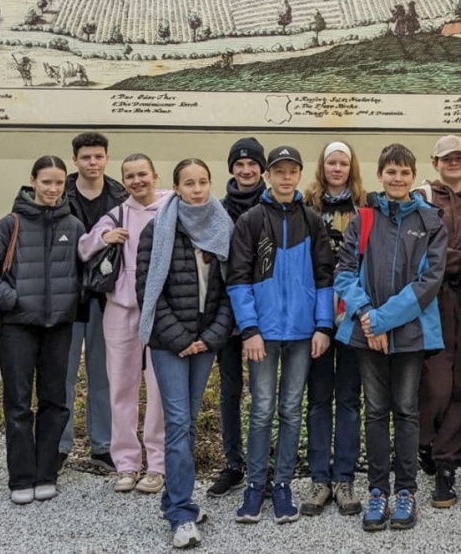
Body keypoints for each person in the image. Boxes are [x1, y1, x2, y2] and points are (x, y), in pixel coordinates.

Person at [334, 144, 447, 532]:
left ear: (413, 177)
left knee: (406, 410)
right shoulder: (362, 219)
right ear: (380, 174)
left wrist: (383, 321)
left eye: (404, 172)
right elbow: (344, 273)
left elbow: (429, 282)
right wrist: (367, 316)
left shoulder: (431, 221)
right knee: (376, 411)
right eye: (390, 171)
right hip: (367, 333)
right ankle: (378, 490)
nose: (397, 178)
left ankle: (406, 491)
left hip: (410, 335)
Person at [228, 145, 336, 525]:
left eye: (292, 171)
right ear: (267, 176)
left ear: (299, 175)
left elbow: (326, 276)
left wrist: (323, 326)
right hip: (264, 334)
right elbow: (238, 278)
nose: (286, 177)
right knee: (261, 410)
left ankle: (284, 485)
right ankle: (256, 486)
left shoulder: (312, 220)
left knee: (291, 410)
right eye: (279, 171)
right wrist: (250, 329)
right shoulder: (252, 220)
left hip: (303, 334)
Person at [0, 156, 85, 505]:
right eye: (46, 182)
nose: (53, 189)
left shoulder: (74, 225)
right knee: (18, 403)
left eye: (59, 183)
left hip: (59, 328)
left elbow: (87, 270)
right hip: (17, 327)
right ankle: (21, 477)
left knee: (55, 402)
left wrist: (73, 301)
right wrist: (11, 298)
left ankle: (46, 473)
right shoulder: (10, 224)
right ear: (32, 181)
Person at [136, 158, 235, 549]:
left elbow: (229, 289)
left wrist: (210, 336)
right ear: (176, 187)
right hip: (169, 343)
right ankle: (180, 513)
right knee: (177, 422)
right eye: (188, 183)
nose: (196, 189)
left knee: (189, 422)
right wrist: (179, 339)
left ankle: (177, 500)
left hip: (205, 340)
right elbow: (148, 291)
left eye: (203, 182)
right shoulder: (157, 228)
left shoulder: (222, 225)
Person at [78, 154, 169, 495]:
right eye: (129, 176)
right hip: (120, 309)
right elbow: (84, 247)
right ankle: (127, 464)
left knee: (159, 389)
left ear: (154, 174)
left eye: (142, 174)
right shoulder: (116, 214)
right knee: (121, 388)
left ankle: (157, 464)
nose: (137, 180)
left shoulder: (171, 206)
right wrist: (105, 238)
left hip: (160, 311)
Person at [415, 135, 461, 508]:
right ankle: (425, 440)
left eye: (459, 158)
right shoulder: (423, 198)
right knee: (436, 381)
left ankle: (447, 466)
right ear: (436, 162)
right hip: (432, 299)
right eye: (446, 158)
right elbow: (420, 249)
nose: (453, 163)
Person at [301, 141, 367, 516]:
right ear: (322, 166)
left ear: (351, 166)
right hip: (317, 314)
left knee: (348, 398)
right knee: (319, 397)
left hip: (353, 314)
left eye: (343, 162)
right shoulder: (308, 206)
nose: (337, 168)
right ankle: (319, 478)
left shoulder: (365, 205)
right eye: (331, 162)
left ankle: (344, 477)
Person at [208, 137, 267, 498]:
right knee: (230, 390)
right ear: (231, 168)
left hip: (269, 316)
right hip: (228, 314)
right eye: (239, 165)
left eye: (253, 165)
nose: (246, 170)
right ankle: (234, 462)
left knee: (266, 392)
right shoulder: (217, 209)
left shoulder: (276, 205)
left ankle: (265, 459)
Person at [61, 132, 124, 472]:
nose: (92, 162)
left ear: (107, 158)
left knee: (103, 375)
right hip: (66, 299)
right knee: (63, 376)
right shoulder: (60, 194)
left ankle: (103, 446)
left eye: (98, 156)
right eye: (86, 157)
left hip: (106, 297)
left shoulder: (120, 197)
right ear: (75, 160)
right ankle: (59, 446)